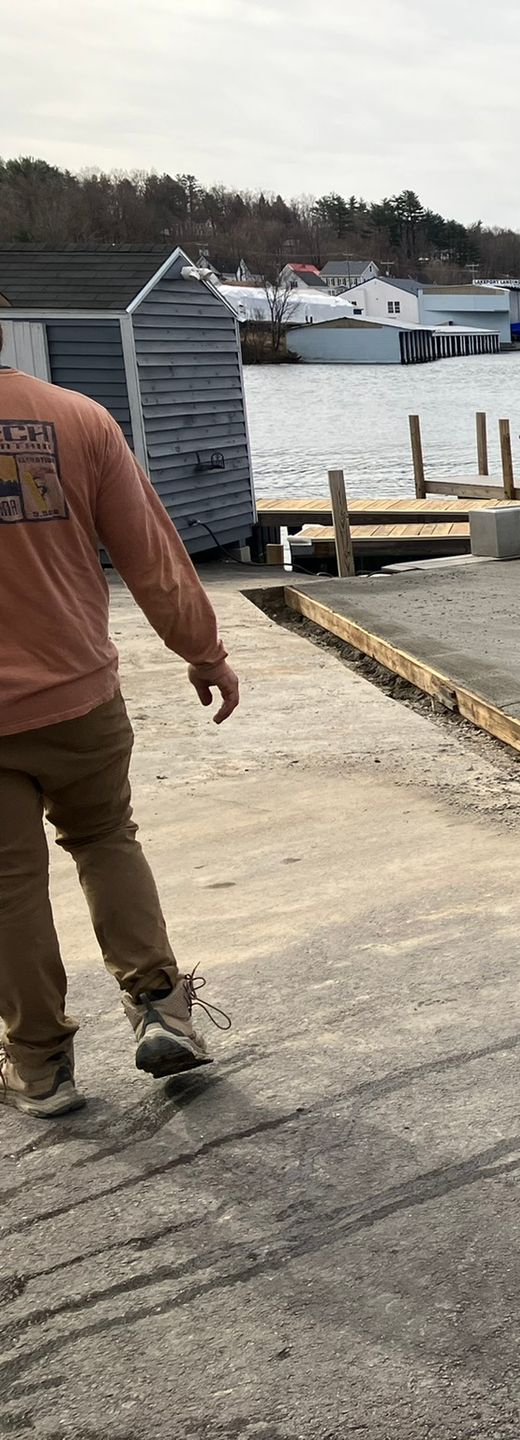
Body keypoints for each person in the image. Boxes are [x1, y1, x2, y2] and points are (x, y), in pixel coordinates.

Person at [0, 337, 241, 1118]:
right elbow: (152, 559)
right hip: (77, 695)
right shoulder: (78, 419)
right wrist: (203, 651)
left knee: (8, 888)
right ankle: (161, 1009)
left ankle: (40, 1067)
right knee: (105, 838)